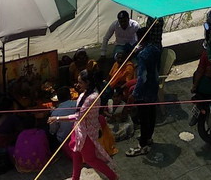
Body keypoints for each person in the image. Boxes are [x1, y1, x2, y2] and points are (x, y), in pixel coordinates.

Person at [48, 70, 118, 180]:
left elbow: (78, 116)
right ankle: (75, 177)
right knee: (76, 153)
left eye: (80, 82)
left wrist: (57, 118)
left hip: (87, 133)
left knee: (90, 159)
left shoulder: (93, 97)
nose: (77, 85)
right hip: (78, 129)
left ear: (88, 82)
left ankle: (112, 176)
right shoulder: (83, 94)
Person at [127, 16, 164, 157]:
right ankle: (148, 138)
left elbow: (142, 77)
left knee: (143, 118)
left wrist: (135, 94)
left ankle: (142, 144)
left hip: (145, 91)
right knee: (151, 114)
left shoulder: (143, 56)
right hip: (154, 86)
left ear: (140, 39)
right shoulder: (155, 49)